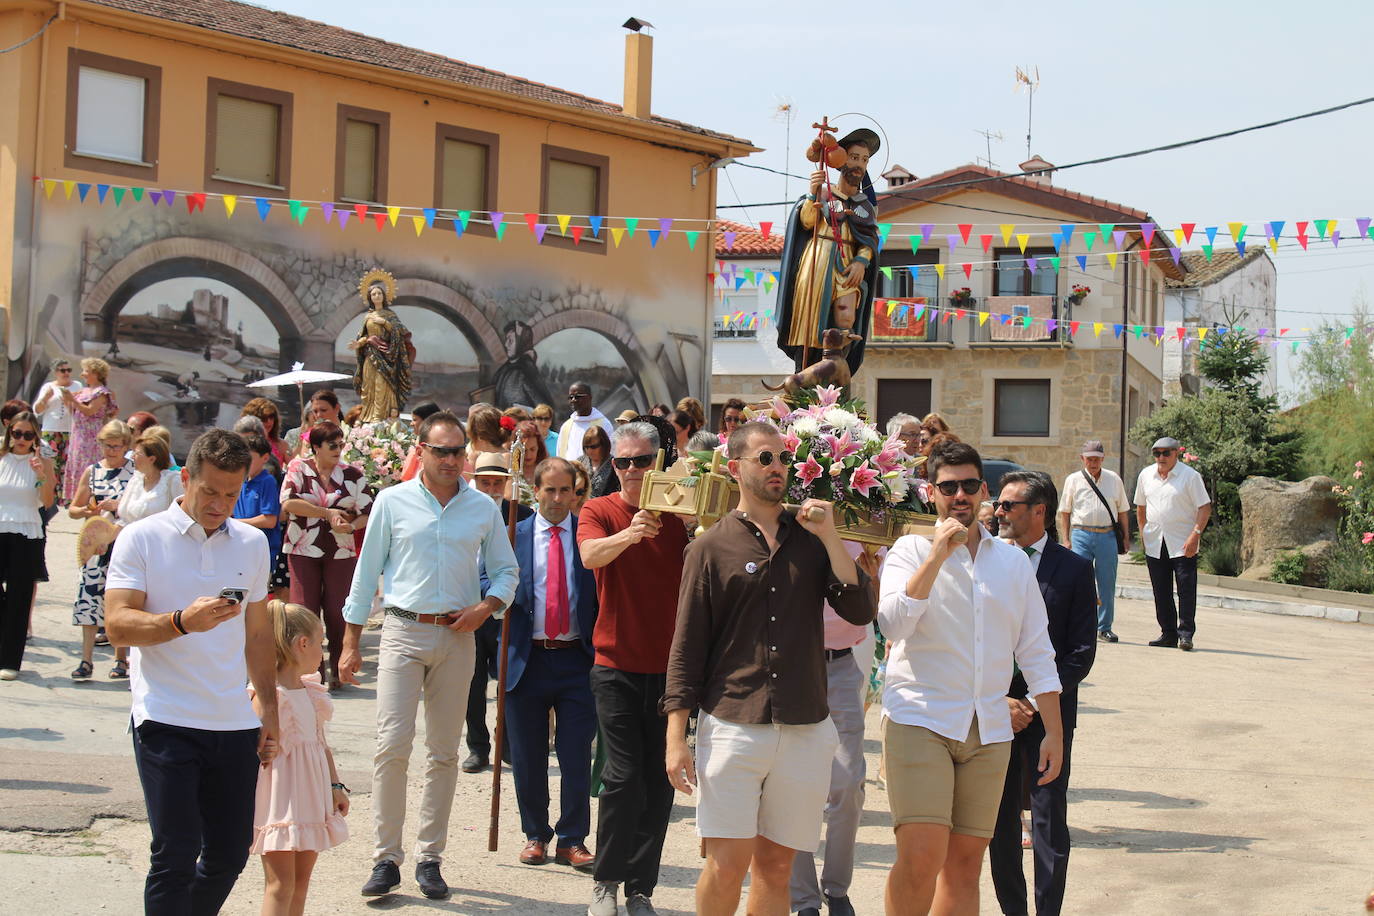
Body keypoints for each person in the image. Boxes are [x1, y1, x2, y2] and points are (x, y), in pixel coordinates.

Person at [663, 421, 873, 916]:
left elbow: (860, 610)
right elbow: (686, 647)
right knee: (725, 866)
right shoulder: (709, 548)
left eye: (783, 458)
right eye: (765, 458)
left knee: (777, 870)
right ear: (736, 469)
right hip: (733, 723)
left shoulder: (812, 539)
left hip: (805, 726)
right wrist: (677, 737)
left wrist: (832, 535)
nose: (777, 467)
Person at [338, 410, 519, 901]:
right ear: (420, 451)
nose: (452, 459)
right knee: (390, 746)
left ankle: (429, 858)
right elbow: (366, 571)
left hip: (457, 637)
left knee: (444, 753)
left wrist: (486, 607)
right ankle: (385, 858)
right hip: (401, 630)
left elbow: (507, 572)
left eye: (459, 451)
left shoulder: (482, 508)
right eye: (442, 450)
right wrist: (350, 642)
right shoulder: (392, 503)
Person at [878, 441, 1064, 916]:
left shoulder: (1012, 561)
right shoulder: (909, 550)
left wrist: (1055, 733)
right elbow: (893, 625)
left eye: (968, 485)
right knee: (921, 856)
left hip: (988, 731)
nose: (959, 495)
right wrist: (937, 556)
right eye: (947, 486)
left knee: (964, 867)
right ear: (930, 491)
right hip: (921, 719)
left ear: (984, 490)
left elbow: (1038, 651)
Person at [105, 429, 279, 915]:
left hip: (233, 723)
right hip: (165, 719)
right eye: (210, 491)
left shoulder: (251, 543)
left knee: (227, 857)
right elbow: (117, 625)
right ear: (186, 477)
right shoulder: (141, 536)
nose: (220, 504)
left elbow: (259, 633)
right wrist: (181, 622)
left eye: (232, 493)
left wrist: (269, 706)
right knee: (175, 855)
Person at [577, 420, 690, 916]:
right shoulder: (599, 509)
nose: (630, 471)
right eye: (621, 462)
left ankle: (640, 888)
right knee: (622, 777)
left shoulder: (683, 514)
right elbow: (588, 555)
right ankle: (606, 882)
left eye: (641, 461)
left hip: (669, 670)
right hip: (615, 665)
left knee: (658, 779)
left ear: (660, 461)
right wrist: (630, 533)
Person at [988, 472, 1098, 916]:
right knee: (999, 824)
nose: (998, 511)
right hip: (993, 711)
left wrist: (1034, 703)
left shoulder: (1073, 569)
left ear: (1040, 512)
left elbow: (1080, 653)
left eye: (1008, 504)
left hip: (1047, 717)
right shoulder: (986, 560)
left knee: (1049, 818)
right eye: (998, 503)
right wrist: (999, 701)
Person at [505, 457, 599, 870]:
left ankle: (572, 838)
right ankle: (535, 834)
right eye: (551, 490)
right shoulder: (513, 535)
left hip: (578, 659)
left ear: (576, 492)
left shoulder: (588, 535)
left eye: (567, 490)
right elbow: (489, 580)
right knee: (527, 755)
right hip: (526, 658)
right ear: (536, 490)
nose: (558, 499)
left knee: (576, 754)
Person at [791, 542, 883, 916]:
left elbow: (877, 608)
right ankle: (804, 900)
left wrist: (872, 575)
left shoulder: (862, 529)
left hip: (841, 666)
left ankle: (837, 888)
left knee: (847, 784)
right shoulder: (785, 527)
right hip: (791, 669)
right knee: (793, 787)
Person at [250, 600, 349, 916]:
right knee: (280, 886)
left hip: (312, 797)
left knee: (300, 884)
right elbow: (251, 748)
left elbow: (322, 744)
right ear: (302, 644)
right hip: (280, 802)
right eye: (320, 643)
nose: (322, 651)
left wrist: (335, 785)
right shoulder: (266, 696)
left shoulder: (311, 692)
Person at [775, 128, 881, 376]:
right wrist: (813, 192)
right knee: (810, 321)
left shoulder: (864, 205)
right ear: (842, 160)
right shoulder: (823, 193)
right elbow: (807, 222)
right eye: (854, 157)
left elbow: (869, 239)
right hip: (818, 260)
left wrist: (861, 261)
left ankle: (835, 371)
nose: (859, 165)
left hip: (847, 264)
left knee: (846, 314)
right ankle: (806, 374)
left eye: (864, 160)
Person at [280, 421, 374, 690]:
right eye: (332, 445)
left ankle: (338, 668)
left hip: (340, 550)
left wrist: (351, 526)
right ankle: (310, 673)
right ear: (316, 447)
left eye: (341, 444)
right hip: (301, 547)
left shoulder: (353, 475)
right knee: (304, 610)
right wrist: (327, 513)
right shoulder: (298, 468)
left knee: (337, 610)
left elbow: (368, 510)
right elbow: (288, 503)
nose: (338, 449)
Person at [461, 451, 531, 774]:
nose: (490, 488)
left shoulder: (524, 515)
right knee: (472, 683)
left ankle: (508, 745)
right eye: (484, 482)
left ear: (507, 483)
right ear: (474, 481)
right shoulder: (462, 512)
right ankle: (478, 746)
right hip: (469, 610)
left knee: (509, 681)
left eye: (496, 483)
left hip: (509, 611)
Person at [69, 420, 135, 681]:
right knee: (89, 600)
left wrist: (118, 505)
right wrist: (87, 511)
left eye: (116, 447)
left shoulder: (133, 472)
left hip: (122, 542)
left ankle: (120, 658)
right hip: (96, 545)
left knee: (118, 600)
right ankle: (86, 659)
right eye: (107, 446)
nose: (111, 451)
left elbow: (139, 507)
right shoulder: (92, 471)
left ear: (125, 446)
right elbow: (74, 508)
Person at [1135, 437, 1211, 652]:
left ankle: (1185, 634)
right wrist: (1143, 533)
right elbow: (1140, 507)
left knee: (1186, 590)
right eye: (1156, 453)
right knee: (1161, 591)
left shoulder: (1190, 476)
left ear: (1176, 453)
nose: (1161, 458)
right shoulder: (1146, 475)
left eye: (1166, 453)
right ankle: (1167, 633)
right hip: (1155, 542)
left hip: (1182, 542)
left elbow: (1204, 508)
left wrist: (1195, 536)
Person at [1058, 440, 1132, 644]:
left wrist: (1126, 538)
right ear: (1082, 458)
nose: (1093, 462)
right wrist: (1066, 539)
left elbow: (1123, 510)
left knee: (1107, 582)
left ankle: (1104, 627)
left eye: (1097, 459)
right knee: (1080, 581)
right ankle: (1079, 625)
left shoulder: (1114, 479)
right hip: (1081, 534)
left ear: (1103, 458)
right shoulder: (1073, 480)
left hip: (1107, 535)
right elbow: (1065, 511)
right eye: (1089, 458)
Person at [0, 411, 55, 680]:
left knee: (19, 597)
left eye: (27, 435)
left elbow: (47, 502)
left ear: (35, 436)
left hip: (26, 531)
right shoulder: (0, 457)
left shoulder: (42, 462)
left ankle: (10, 660)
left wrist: (41, 474)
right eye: (17, 433)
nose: (21, 439)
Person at [351, 269, 415, 423]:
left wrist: (385, 323)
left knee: (382, 385)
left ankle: (380, 417)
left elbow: (401, 332)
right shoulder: (368, 317)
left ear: (384, 296)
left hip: (386, 357)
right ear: (370, 298)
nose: (377, 296)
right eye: (373, 294)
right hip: (370, 356)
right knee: (369, 386)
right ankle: (368, 416)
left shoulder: (390, 315)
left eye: (379, 293)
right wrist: (359, 343)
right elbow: (364, 335)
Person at [61, 357, 119, 503]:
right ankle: (80, 499)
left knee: (89, 467)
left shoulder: (101, 393)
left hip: (91, 437)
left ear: (96, 373)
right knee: (78, 465)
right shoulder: (84, 391)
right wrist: (67, 401)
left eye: (86, 371)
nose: (83, 374)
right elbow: (75, 412)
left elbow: (90, 411)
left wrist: (73, 400)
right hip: (78, 435)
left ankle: (91, 499)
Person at [33, 358, 82, 502]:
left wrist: (69, 403)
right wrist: (46, 398)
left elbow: (79, 409)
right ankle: (50, 497)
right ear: (56, 373)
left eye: (69, 370)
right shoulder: (48, 387)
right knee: (51, 464)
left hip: (70, 431)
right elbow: (37, 410)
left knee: (68, 466)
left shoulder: (77, 386)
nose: (66, 373)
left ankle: (66, 497)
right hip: (51, 430)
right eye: (63, 370)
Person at [235, 433, 284, 575]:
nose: (245, 462)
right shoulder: (241, 480)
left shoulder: (267, 481)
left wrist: (236, 523)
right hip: (240, 547)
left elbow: (269, 520)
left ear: (265, 458)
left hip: (261, 550)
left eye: (250, 458)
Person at [493, 319, 557, 410]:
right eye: (506, 340)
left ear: (521, 342)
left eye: (510, 340)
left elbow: (543, 408)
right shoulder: (504, 370)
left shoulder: (526, 371)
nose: (506, 345)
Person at [557, 382, 614, 463]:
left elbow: (610, 454)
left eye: (577, 396)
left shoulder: (603, 424)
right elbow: (559, 453)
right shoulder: (566, 426)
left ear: (589, 397)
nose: (573, 400)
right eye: (570, 397)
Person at [285, 390, 348, 457]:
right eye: (315, 411)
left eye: (323, 410)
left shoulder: (351, 433)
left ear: (336, 408)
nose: (319, 415)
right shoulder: (310, 436)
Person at [400, 401, 441, 482]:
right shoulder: (419, 440)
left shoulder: (435, 448)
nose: (411, 424)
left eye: (415, 420)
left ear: (427, 421)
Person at [241, 397, 289, 465]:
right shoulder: (240, 444)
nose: (269, 422)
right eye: (264, 418)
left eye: (271, 417)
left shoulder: (281, 445)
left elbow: (295, 466)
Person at [580, 425, 620, 501]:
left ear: (604, 445)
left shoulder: (615, 465)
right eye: (586, 447)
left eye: (593, 447)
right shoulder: (580, 462)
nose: (589, 451)